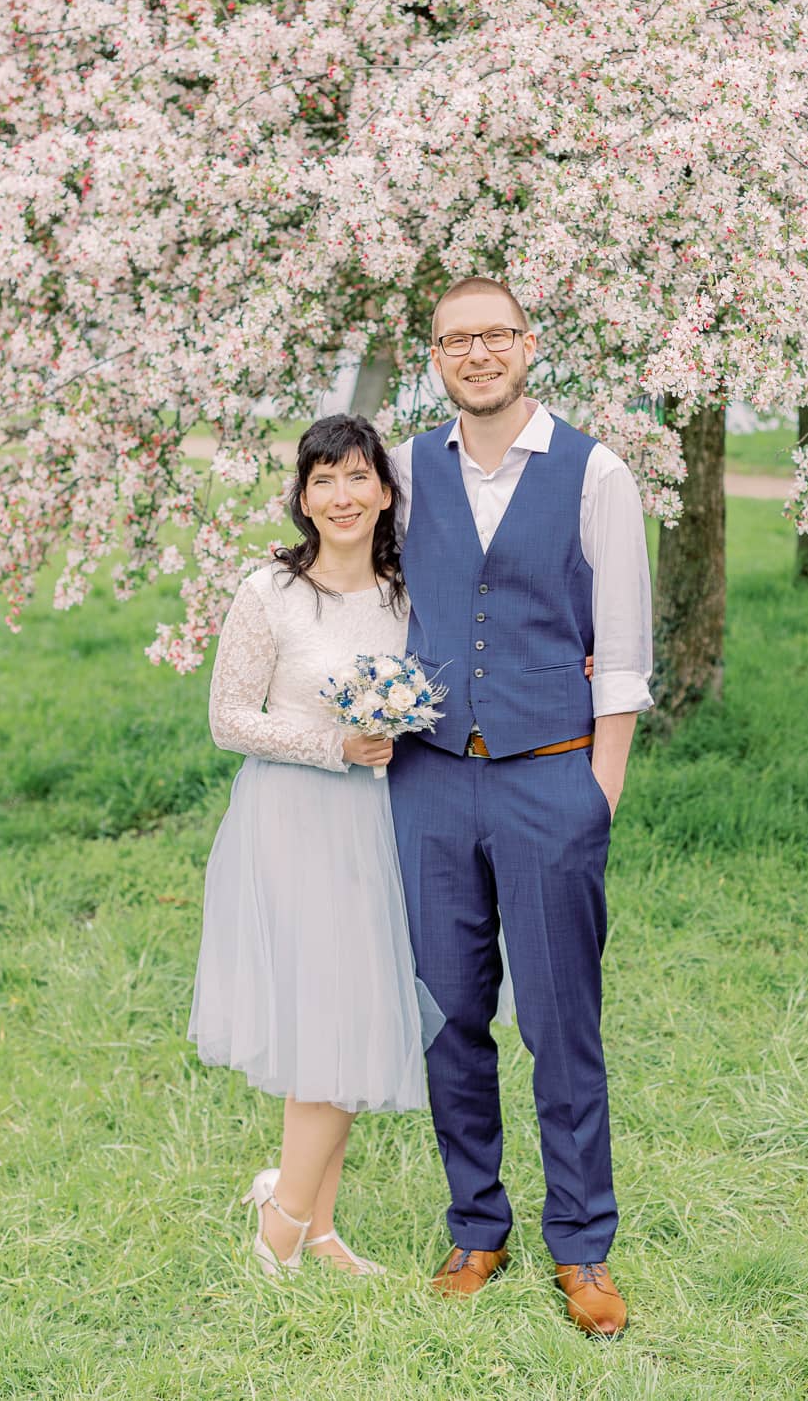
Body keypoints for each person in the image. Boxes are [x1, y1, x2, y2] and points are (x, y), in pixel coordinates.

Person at [388, 275, 654, 1337]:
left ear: (529, 345)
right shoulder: (407, 471)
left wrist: (599, 795)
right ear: (439, 357)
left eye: (495, 335)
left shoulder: (596, 474)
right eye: (458, 340)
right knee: (450, 1016)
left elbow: (625, 653)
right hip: (432, 779)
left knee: (558, 1022)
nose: (479, 354)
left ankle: (583, 1247)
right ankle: (476, 1225)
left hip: (555, 775)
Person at [188, 414, 438, 1278]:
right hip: (293, 818)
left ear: (385, 491)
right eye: (323, 479)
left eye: (358, 476)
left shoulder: (409, 592)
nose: (342, 495)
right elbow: (228, 719)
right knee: (336, 1012)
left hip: (382, 823)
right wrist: (334, 743)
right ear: (302, 495)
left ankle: (316, 1224)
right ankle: (283, 1227)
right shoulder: (270, 592)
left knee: (353, 1013)